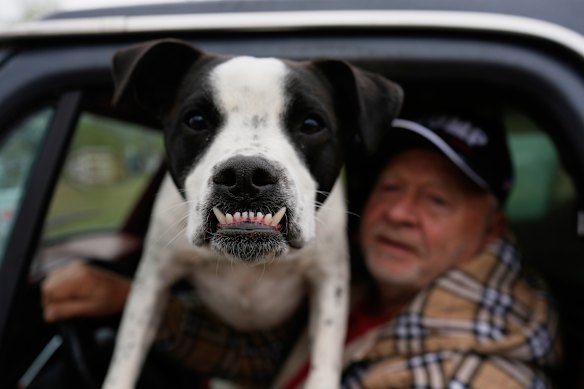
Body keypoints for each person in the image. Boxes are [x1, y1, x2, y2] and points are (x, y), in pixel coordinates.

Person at [41, 110, 561, 388]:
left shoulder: (479, 373)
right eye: (391, 187)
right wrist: (123, 298)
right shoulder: (364, 299)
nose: (401, 213)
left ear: (494, 229)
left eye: (438, 200)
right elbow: (261, 360)